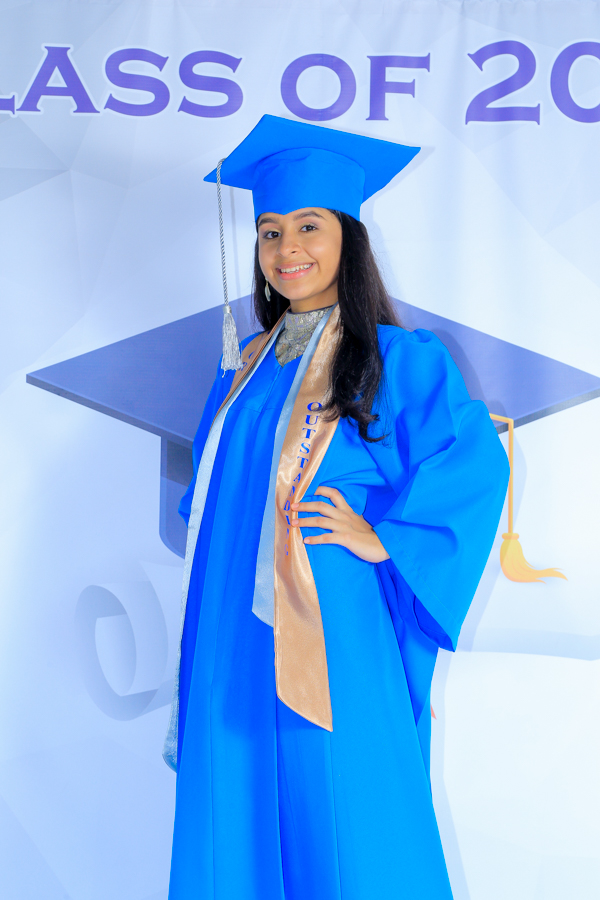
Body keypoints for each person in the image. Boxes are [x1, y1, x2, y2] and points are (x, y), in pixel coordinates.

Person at [164, 115, 509, 900]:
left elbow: (471, 463)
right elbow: (211, 497)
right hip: (231, 624)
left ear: (348, 238)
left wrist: (386, 537)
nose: (287, 249)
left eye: (309, 227)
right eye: (270, 232)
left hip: (330, 619)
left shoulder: (395, 357)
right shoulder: (244, 367)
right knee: (236, 797)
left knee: (346, 805)